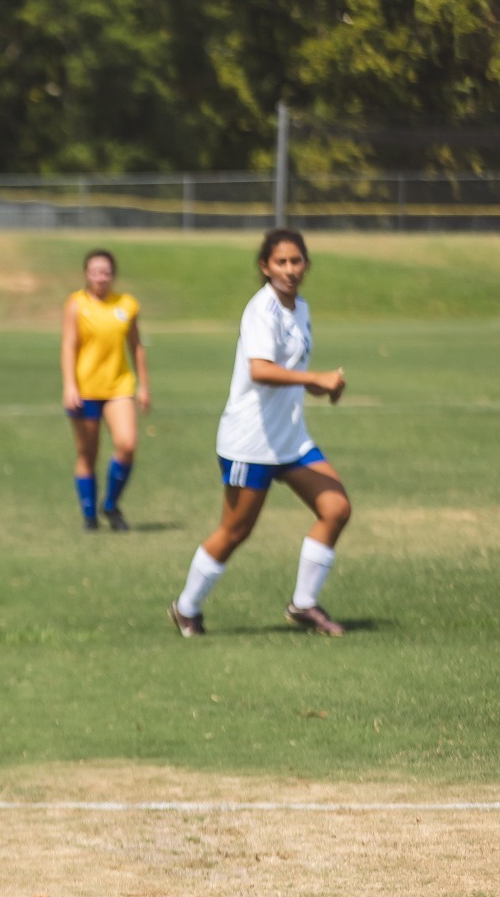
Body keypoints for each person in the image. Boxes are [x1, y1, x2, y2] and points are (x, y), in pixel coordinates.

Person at [171, 229, 351, 637]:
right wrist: (314, 377)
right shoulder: (261, 310)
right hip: (249, 443)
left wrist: (321, 386)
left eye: (297, 261)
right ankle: (186, 608)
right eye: (281, 262)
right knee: (236, 531)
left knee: (336, 508)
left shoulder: (299, 308)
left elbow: (288, 369)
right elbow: (260, 370)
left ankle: (304, 604)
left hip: (290, 439)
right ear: (265, 267)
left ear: (306, 263)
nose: (290, 269)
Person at [59, 248, 149, 532]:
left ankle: (110, 504)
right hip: (85, 389)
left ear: (113, 275)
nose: (101, 277)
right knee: (87, 454)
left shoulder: (127, 305)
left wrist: (143, 384)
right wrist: (70, 385)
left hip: (118, 386)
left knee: (127, 445)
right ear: (87, 274)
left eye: (106, 272)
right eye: (95, 271)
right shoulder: (76, 304)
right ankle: (89, 516)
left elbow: (136, 345)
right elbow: (68, 346)